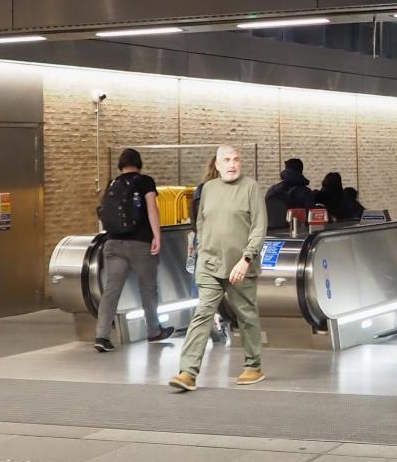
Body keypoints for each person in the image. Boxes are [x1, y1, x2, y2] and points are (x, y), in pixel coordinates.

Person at [170, 144, 267, 391]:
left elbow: (258, 227)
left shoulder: (250, 188)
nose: (232, 164)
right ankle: (187, 372)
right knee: (202, 313)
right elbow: (201, 224)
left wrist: (246, 259)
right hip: (210, 264)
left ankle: (253, 366)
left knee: (246, 314)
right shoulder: (208, 189)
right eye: (227, 160)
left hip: (240, 266)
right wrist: (202, 255)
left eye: (236, 159)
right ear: (217, 164)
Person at [94, 148, 171, 352]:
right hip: (140, 243)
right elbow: (152, 208)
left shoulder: (112, 184)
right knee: (147, 288)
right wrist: (157, 235)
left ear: (121, 164)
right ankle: (154, 331)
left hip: (113, 243)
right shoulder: (145, 181)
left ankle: (101, 336)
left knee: (111, 290)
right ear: (139, 163)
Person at [265, 158, 317, 229]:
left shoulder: (272, 189)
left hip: (271, 232)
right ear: (300, 171)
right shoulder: (305, 192)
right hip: (296, 232)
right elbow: (311, 217)